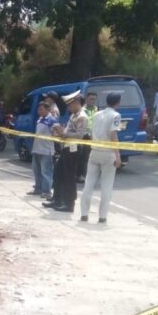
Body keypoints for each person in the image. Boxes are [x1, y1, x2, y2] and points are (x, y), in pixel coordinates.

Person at [80, 93, 123, 224]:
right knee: (107, 185)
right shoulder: (116, 115)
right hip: (108, 153)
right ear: (117, 103)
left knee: (89, 184)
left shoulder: (97, 114)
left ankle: (84, 214)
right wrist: (118, 155)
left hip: (95, 150)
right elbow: (113, 135)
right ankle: (102, 216)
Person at [42, 90, 88, 213]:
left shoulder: (82, 116)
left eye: (70, 105)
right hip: (66, 147)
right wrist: (61, 133)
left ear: (77, 103)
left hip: (74, 149)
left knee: (69, 177)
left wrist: (64, 133)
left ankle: (69, 204)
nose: (69, 107)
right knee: (58, 173)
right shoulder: (73, 115)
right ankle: (57, 199)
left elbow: (79, 135)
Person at [29, 102, 56, 198]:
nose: (39, 111)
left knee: (46, 172)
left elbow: (55, 134)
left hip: (46, 151)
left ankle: (47, 191)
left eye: (41, 109)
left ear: (47, 109)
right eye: (38, 109)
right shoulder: (39, 119)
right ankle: (38, 189)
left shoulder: (52, 120)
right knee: (37, 171)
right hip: (36, 149)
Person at [76, 92, 97, 182]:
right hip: (82, 135)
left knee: (87, 157)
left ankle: (83, 175)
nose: (92, 101)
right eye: (91, 99)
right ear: (87, 99)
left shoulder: (96, 109)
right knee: (79, 156)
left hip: (91, 136)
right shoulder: (82, 109)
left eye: (94, 99)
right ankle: (77, 175)